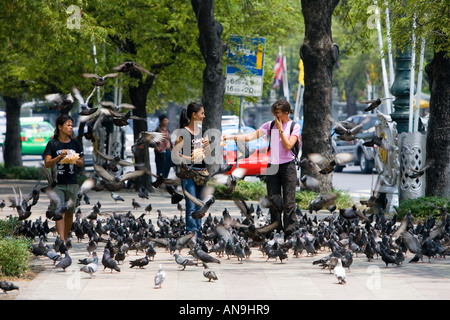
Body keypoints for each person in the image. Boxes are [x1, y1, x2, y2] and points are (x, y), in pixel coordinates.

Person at [224, 99, 301, 234]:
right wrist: (230, 137)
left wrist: (281, 130)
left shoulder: (294, 126)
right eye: (274, 113)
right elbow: (249, 137)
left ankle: (290, 232)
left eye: (278, 113)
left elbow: (288, 145)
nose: (275, 116)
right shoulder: (270, 125)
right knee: (274, 200)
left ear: (286, 112)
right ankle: (276, 229)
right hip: (272, 166)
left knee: (289, 202)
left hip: (288, 166)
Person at [44, 114, 84, 243]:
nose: (71, 128)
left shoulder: (75, 144)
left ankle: (65, 237)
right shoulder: (52, 144)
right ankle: (61, 239)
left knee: (70, 213)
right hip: (58, 184)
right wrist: (59, 157)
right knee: (59, 212)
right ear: (60, 127)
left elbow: (81, 162)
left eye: (72, 125)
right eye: (68, 125)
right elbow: (47, 163)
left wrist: (74, 159)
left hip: (72, 183)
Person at [173, 102, 210, 238]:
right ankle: (191, 235)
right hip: (188, 173)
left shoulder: (203, 132)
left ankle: (198, 235)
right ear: (194, 115)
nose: (204, 116)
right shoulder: (183, 133)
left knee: (200, 206)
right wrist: (190, 157)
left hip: (201, 173)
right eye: (202, 113)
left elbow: (208, 155)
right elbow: (176, 155)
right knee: (191, 206)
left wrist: (207, 146)